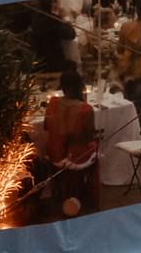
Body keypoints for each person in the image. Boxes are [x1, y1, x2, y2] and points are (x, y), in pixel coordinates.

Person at [42, 69, 98, 209]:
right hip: (76, 158)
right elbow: (89, 136)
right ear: (80, 86)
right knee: (96, 147)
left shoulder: (53, 102)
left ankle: (63, 189)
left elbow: (45, 126)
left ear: (63, 86)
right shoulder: (86, 109)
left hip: (53, 155)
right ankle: (91, 193)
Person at [31, 0, 77, 73]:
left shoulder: (36, 15)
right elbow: (71, 34)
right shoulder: (51, 19)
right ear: (52, 2)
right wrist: (65, 18)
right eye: (57, 1)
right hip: (52, 63)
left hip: (38, 59)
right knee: (73, 63)